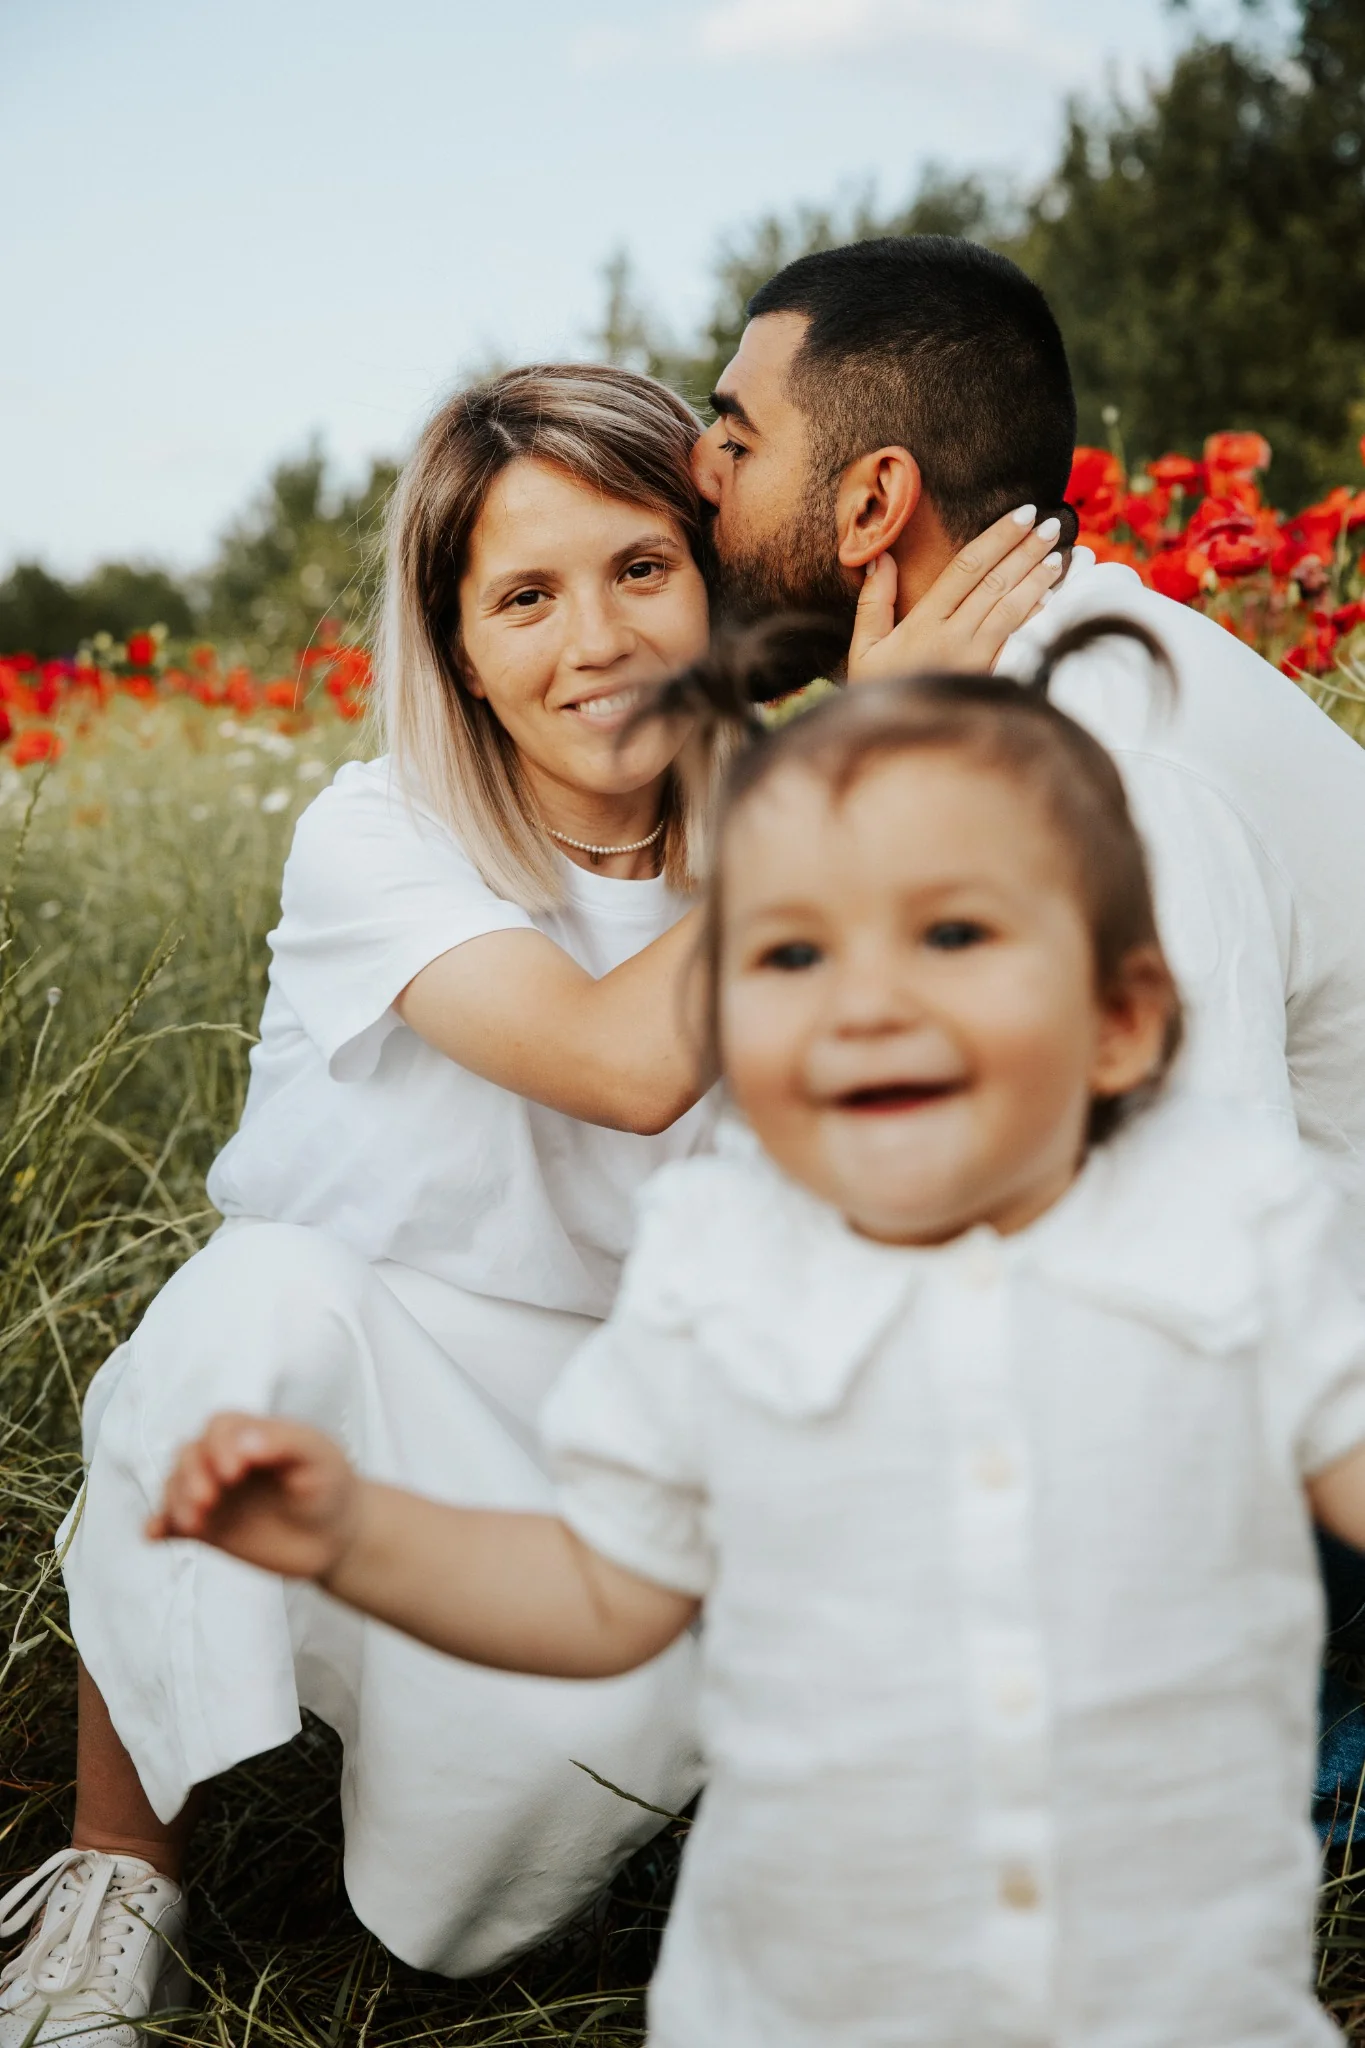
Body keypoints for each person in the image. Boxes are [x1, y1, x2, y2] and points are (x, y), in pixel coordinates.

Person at [0, 362, 1058, 2046]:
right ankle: (116, 1884)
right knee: (240, 1310)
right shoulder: (378, 837)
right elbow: (617, 1059)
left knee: (494, 1879)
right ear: (461, 647)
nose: (598, 641)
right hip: (369, 1371)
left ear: (710, 580)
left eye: (642, 569)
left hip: (634, 1426)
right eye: (525, 597)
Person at [154, 625, 1365, 2046]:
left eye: (955, 934)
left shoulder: (1228, 1242)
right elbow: (600, 1589)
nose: (866, 999)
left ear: (1120, 1021)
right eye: (791, 950)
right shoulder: (723, 1280)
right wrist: (356, 1534)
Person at [690, 233, 1365, 1834]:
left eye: (734, 434)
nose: (693, 472)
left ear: (871, 504)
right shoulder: (1055, 680)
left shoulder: (1101, 758)